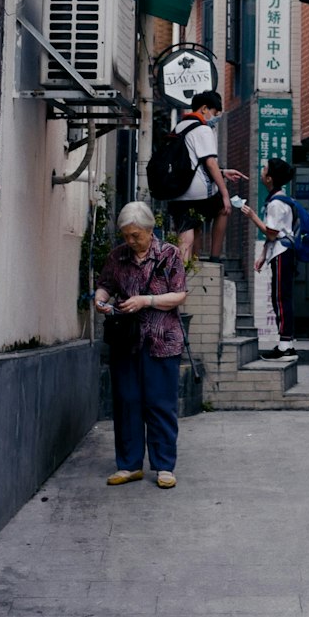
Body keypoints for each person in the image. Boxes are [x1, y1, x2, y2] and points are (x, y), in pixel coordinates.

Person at [95, 202, 188, 490]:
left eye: (136, 235)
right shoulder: (117, 257)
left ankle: (163, 466)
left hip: (162, 341)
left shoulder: (169, 255)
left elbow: (180, 295)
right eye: (126, 235)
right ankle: (129, 464)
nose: (130, 241)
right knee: (127, 402)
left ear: (150, 230)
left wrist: (145, 301)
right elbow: (105, 284)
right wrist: (100, 301)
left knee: (160, 404)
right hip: (127, 340)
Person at [237, 157, 297, 359]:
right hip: (281, 252)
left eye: (264, 169)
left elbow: (271, 233)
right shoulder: (280, 198)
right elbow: (275, 233)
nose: (261, 171)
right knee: (281, 297)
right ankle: (285, 343)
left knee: (281, 298)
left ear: (269, 178)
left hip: (282, 253)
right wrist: (263, 254)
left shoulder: (276, 203)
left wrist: (252, 215)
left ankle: (285, 345)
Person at [167, 90, 236, 263]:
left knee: (189, 228)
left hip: (176, 191)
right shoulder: (203, 129)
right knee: (222, 208)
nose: (215, 118)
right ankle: (214, 257)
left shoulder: (179, 127)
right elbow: (210, 163)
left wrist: (222, 172)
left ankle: (187, 269)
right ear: (204, 108)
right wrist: (225, 194)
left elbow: (189, 162)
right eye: (215, 113)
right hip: (197, 191)